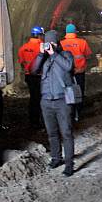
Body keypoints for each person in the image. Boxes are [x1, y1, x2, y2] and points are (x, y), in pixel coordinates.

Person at [31, 30, 76, 177]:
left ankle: (69, 164)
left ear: (57, 43)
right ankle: (56, 158)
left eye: (52, 43)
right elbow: (33, 70)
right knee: (52, 133)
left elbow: (68, 67)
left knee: (67, 133)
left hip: (62, 100)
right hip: (46, 101)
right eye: (47, 43)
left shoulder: (66, 55)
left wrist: (53, 54)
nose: (49, 46)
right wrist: (40, 54)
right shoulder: (43, 58)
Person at [60, 24, 93, 121]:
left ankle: (70, 113)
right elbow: (88, 55)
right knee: (79, 92)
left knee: (67, 92)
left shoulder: (61, 43)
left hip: (66, 73)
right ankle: (79, 113)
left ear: (66, 32)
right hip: (79, 71)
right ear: (75, 32)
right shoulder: (82, 42)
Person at [18, 25, 45, 127]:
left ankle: (32, 120)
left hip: (29, 76)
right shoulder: (42, 46)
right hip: (40, 76)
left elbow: (22, 62)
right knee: (41, 98)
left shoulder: (23, 48)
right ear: (39, 35)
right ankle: (41, 120)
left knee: (33, 98)